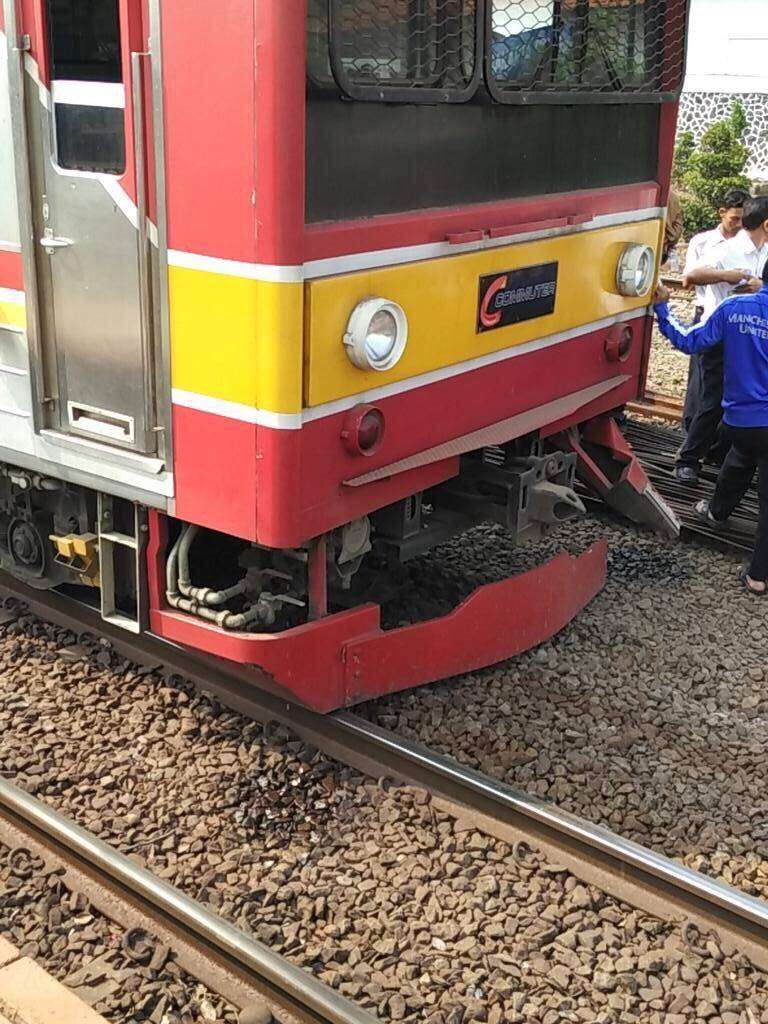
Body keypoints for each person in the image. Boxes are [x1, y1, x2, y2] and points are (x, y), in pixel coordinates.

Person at [654, 258, 768, 595]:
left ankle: (717, 513)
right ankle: (757, 576)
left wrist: (662, 309)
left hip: (741, 423)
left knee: (742, 455)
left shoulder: (734, 309)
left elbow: (689, 341)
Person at [674, 195, 768, 483]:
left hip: (751, 336)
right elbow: (692, 275)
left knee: (744, 399)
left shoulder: (765, 251)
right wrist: (728, 275)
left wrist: (760, 286)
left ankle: (718, 455)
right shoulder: (729, 249)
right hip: (720, 334)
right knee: (713, 401)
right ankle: (688, 459)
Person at [679, 188, 749, 442]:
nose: (738, 225)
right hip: (707, 313)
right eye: (734, 219)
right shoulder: (702, 242)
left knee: (727, 380)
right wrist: (724, 276)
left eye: (743, 220)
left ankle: (715, 438)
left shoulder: (749, 243)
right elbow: (688, 278)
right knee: (700, 380)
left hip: (738, 317)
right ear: (722, 213)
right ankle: (691, 432)